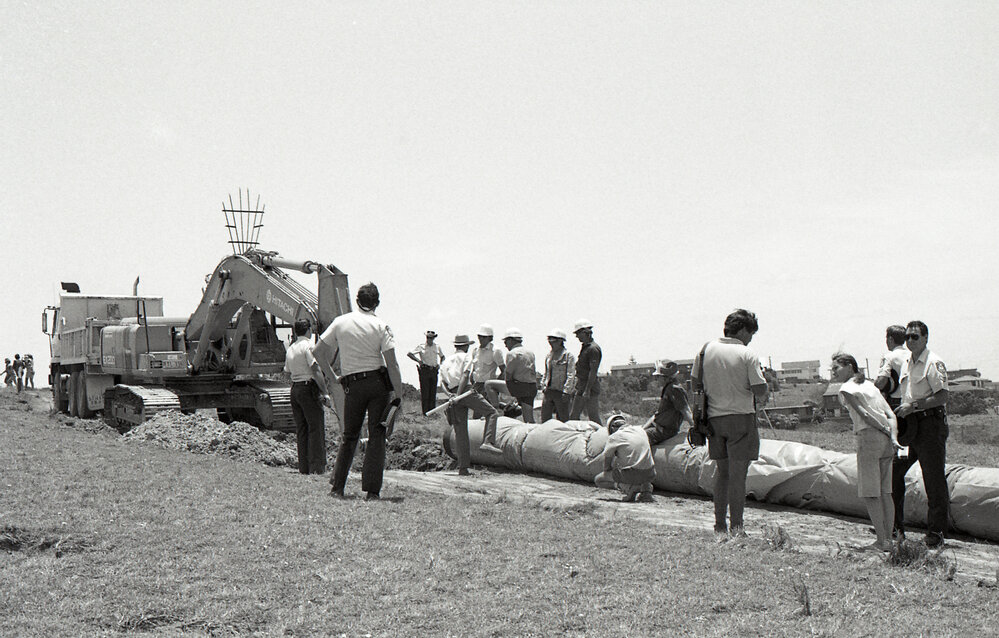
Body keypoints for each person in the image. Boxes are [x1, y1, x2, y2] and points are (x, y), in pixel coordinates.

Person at [316, 283, 404, 500]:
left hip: (352, 385)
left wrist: (333, 377)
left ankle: (337, 487)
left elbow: (318, 352)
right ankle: (372, 491)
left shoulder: (341, 322)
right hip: (377, 385)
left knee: (349, 436)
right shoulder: (381, 326)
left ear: (357, 302)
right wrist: (399, 395)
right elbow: (392, 364)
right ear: (377, 303)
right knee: (377, 436)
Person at [691, 309, 768, 539]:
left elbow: (695, 382)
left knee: (722, 474)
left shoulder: (705, 350)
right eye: (750, 334)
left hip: (714, 419)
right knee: (738, 476)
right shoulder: (746, 353)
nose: (750, 339)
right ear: (743, 330)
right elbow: (759, 389)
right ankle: (737, 526)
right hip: (741, 418)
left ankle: (719, 525)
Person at [831, 353, 898, 552]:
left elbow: (865, 415)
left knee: (871, 493)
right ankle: (889, 540)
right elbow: (890, 415)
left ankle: (881, 540)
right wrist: (892, 436)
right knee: (886, 492)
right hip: (886, 441)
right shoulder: (870, 386)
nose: (833, 372)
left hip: (869, 437)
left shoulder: (846, 388)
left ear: (850, 366)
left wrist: (884, 430)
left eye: (836, 368)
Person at [892, 320, 950, 548]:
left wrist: (914, 406)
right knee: (895, 473)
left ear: (926, 338)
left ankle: (936, 533)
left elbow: (942, 396)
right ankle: (896, 528)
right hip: (910, 428)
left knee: (933, 479)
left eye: (915, 337)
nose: (909, 341)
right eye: (907, 337)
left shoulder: (933, 363)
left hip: (930, 426)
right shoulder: (907, 363)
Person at [440, 334, 502, 472]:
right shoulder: (466, 357)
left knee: (460, 432)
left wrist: (450, 395)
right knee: (492, 412)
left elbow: (442, 383)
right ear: (466, 346)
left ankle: (463, 468)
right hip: (465, 391)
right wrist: (459, 395)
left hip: (452, 394)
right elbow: (465, 375)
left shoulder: (446, 361)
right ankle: (488, 441)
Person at [284, 319, 332, 475]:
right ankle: (317, 468)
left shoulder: (290, 349)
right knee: (315, 428)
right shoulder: (309, 346)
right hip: (308, 387)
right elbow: (316, 370)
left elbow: (287, 371)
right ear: (308, 330)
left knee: (302, 429)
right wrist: (324, 392)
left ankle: (304, 467)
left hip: (295, 389)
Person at [594, 414, 656, 502]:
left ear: (612, 428)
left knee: (599, 479)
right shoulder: (640, 430)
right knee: (642, 464)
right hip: (651, 473)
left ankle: (629, 488)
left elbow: (607, 465)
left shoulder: (614, 437)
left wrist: (614, 474)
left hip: (633, 473)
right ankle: (646, 490)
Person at [470, 324, 506, 449]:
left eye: (484, 337)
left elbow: (503, 370)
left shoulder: (495, 351)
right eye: (479, 336)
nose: (481, 339)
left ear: (490, 338)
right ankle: (476, 442)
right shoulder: (475, 350)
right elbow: (473, 368)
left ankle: (488, 441)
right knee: (476, 416)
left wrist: (495, 386)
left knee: (489, 414)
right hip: (476, 385)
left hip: (488, 386)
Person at [644, 359, 694, 446]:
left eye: (658, 376)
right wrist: (643, 429)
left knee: (638, 440)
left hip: (664, 431)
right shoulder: (668, 388)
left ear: (665, 377)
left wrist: (695, 428)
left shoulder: (674, 389)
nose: (656, 379)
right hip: (658, 428)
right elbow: (657, 415)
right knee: (638, 434)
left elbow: (685, 410)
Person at [569, 319, 602, 425]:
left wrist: (587, 390)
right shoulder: (586, 347)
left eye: (578, 333)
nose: (577, 336)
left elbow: (593, 371)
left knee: (593, 417)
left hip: (589, 386)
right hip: (582, 385)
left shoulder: (593, 349)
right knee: (574, 416)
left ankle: (602, 436)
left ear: (585, 332)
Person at [500, 328, 538, 423]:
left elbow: (508, 374)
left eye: (506, 341)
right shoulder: (530, 352)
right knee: (528, 418)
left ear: (511, 340)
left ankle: (496, 409)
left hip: (519, 386)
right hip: (531, 386)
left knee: (489, 385)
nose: (505, 344)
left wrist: (512, 393)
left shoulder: (512, 353)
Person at [540, 329, 576, 422]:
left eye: (554, 340)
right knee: (545, 419)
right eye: (549, 340)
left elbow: (571, 374)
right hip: (549, 391)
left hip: (561, 392)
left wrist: (566, 391)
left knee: (563, 419)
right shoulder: (549, 356)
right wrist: (543, 385)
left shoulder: (568, 356)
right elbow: (546, 372)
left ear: (560, 341)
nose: (551, 343)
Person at [408, 330, 445, 415]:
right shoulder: (421, 346)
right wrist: (418, 361)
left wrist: (439, 364)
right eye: (428, 337)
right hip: (425, 370)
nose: (430, 339)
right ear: (426, 338)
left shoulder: (437, 347)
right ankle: (425, 413)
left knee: (433, 392)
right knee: (425, 392)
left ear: (434, 338)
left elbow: (442, 357)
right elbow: (410, 354)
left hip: (434, 370)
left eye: (431, 338)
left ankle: (432, 413)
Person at [875, 325, 907, 409]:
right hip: (910, 401)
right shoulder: (912, 355)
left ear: (890, 339)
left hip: (895, 402)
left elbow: (881, 383)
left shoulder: (889, 357)